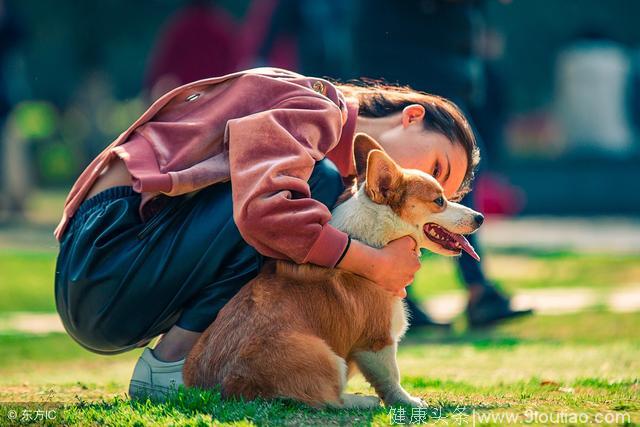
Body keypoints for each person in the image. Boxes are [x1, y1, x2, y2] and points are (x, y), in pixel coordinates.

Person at [53, 67, 478, 398]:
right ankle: (168, 367)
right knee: (311, 188)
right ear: (411, 117)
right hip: (105, 258)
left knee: (313, 204)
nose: (426, 184)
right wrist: (374, 263)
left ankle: (186, 366)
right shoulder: (315, 106)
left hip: (121, 277)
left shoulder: (327, 148)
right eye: (436, 169)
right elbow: (262, 212)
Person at [354, 0, 532, 328]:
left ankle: (433, 290)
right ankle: (413, 290)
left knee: (457, 172)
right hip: (413, 59)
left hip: (438, 61)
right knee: (435, 175)